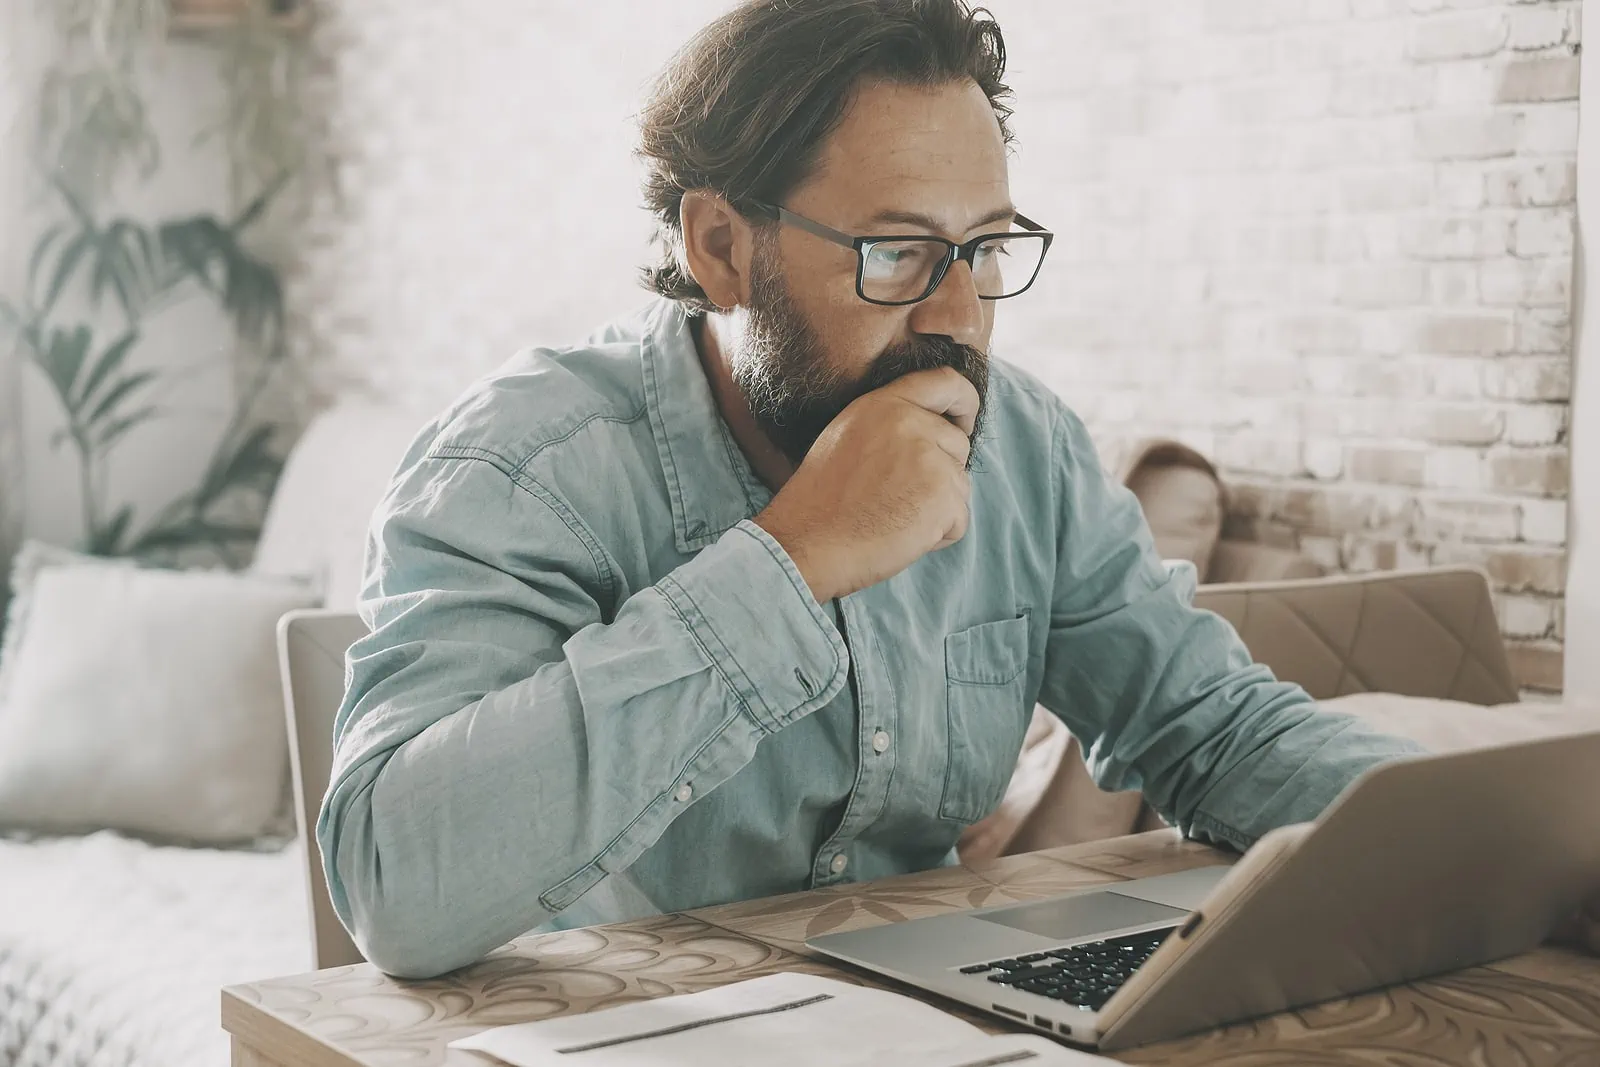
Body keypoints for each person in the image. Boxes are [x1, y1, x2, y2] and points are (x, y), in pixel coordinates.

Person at [319, 0, 1428, 980]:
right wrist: (790, 560)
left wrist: (1478, 837)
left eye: (985, 248)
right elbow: (394, 891)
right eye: (896, 252)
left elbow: (1212, 732)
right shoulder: (523, 468)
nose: (957, 317)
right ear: (720, 248)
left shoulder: (1025, 448)